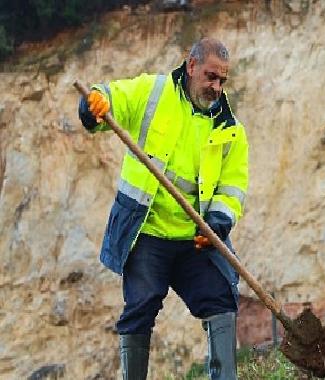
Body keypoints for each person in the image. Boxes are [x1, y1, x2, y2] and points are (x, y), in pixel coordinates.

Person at [78, 37, 248, 379]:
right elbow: (111, 97)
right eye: (210, 77)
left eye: (222, 81)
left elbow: (232, 189)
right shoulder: (153, 92)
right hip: (147, 233)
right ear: (191, 66)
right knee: (141, 306)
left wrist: (215, 223)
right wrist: (94, 103)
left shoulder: (231, 130)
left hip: (194, 240)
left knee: (221, 299)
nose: (216, 87)